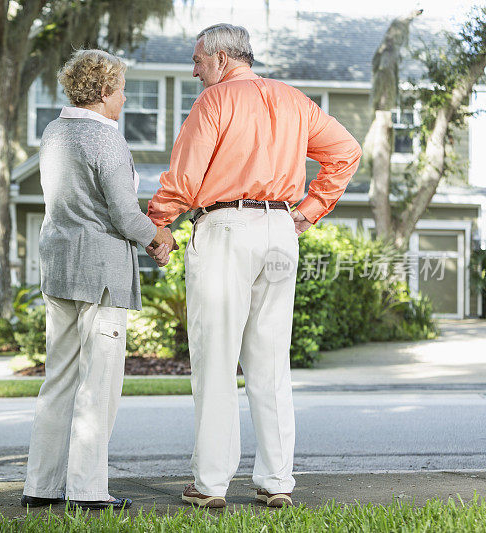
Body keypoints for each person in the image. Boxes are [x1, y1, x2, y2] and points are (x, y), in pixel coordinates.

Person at [147, 24, 362, 508]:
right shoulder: (294, 100)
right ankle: (276, 482)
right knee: (270, 362)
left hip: (225, 229)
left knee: (216, 359)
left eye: (199, 60)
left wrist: (158, 224)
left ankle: (210, 484)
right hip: (281, 231)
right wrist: (308, 211)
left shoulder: (214, 101)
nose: (195, 70)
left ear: (222, 59)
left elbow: (183, 177)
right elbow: (346, 152)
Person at [21, 49, 175, 511]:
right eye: (122, 89)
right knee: (99, 383)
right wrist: (160, 236)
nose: (125, 98)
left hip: (59, 267)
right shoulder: (106, 138)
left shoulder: (54, 132)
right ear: (104, 91)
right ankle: (89, 491)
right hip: (100, 273)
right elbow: (125, 215)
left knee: (59, 379)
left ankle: (41, 485)